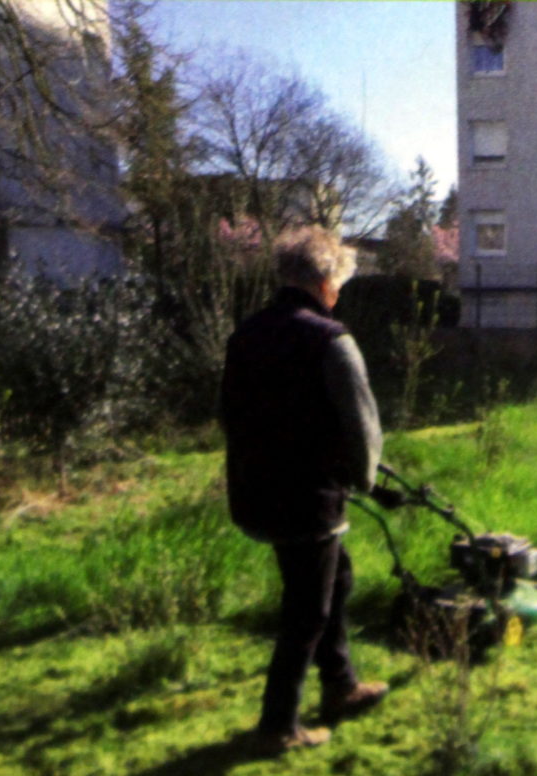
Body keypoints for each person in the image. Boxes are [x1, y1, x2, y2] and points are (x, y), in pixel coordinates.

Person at [220, 225, 387, 755]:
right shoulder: (331, 340)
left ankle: (340, 685)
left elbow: (228, 415)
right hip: (309, 500)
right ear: (324, 282)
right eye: (338, 282)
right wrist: (366, 479)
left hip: (254, 490)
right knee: (307, 612)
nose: (338, 293)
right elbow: (364, 427)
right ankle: (278, 725)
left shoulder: (245, 335)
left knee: (336, 579)